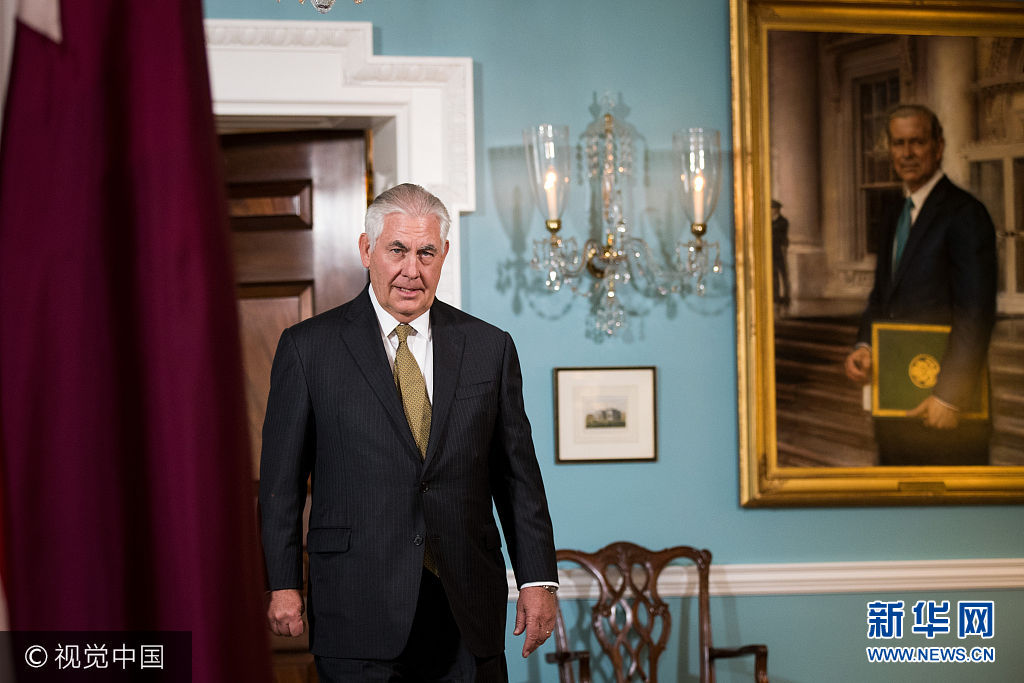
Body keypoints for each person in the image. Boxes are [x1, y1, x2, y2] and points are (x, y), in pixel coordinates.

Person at [259, 183, 559, 682]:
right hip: (356, 605)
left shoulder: (490, 347)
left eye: (425, 253)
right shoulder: (308, 348)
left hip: (466, 607)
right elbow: (280, 484)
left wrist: (538, 580)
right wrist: (283, 582)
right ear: (367, 250)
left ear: (444, 255)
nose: (411, 270)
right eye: (397, 250)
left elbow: (518, 479)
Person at [843, 104, 997, 466]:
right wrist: (864, 345)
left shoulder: (966, 213)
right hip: (895, 401)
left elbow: (975, 312)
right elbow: (882, 297)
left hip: (947, 413)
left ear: (938, 147)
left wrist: (949, 395)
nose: (907, 153)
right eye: (898, 143)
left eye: (917, 142)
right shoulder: (894, 215)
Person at [771, 199, 790, 308]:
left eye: (773, 208)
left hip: (780, 250)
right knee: (774, 275)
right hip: (773, 251)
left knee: (784, 274)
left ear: (777, 210)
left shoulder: (782, 221)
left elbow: (782, 237)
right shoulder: (770, 221)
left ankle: (786, 297)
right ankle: (776, 297)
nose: (771, 211)